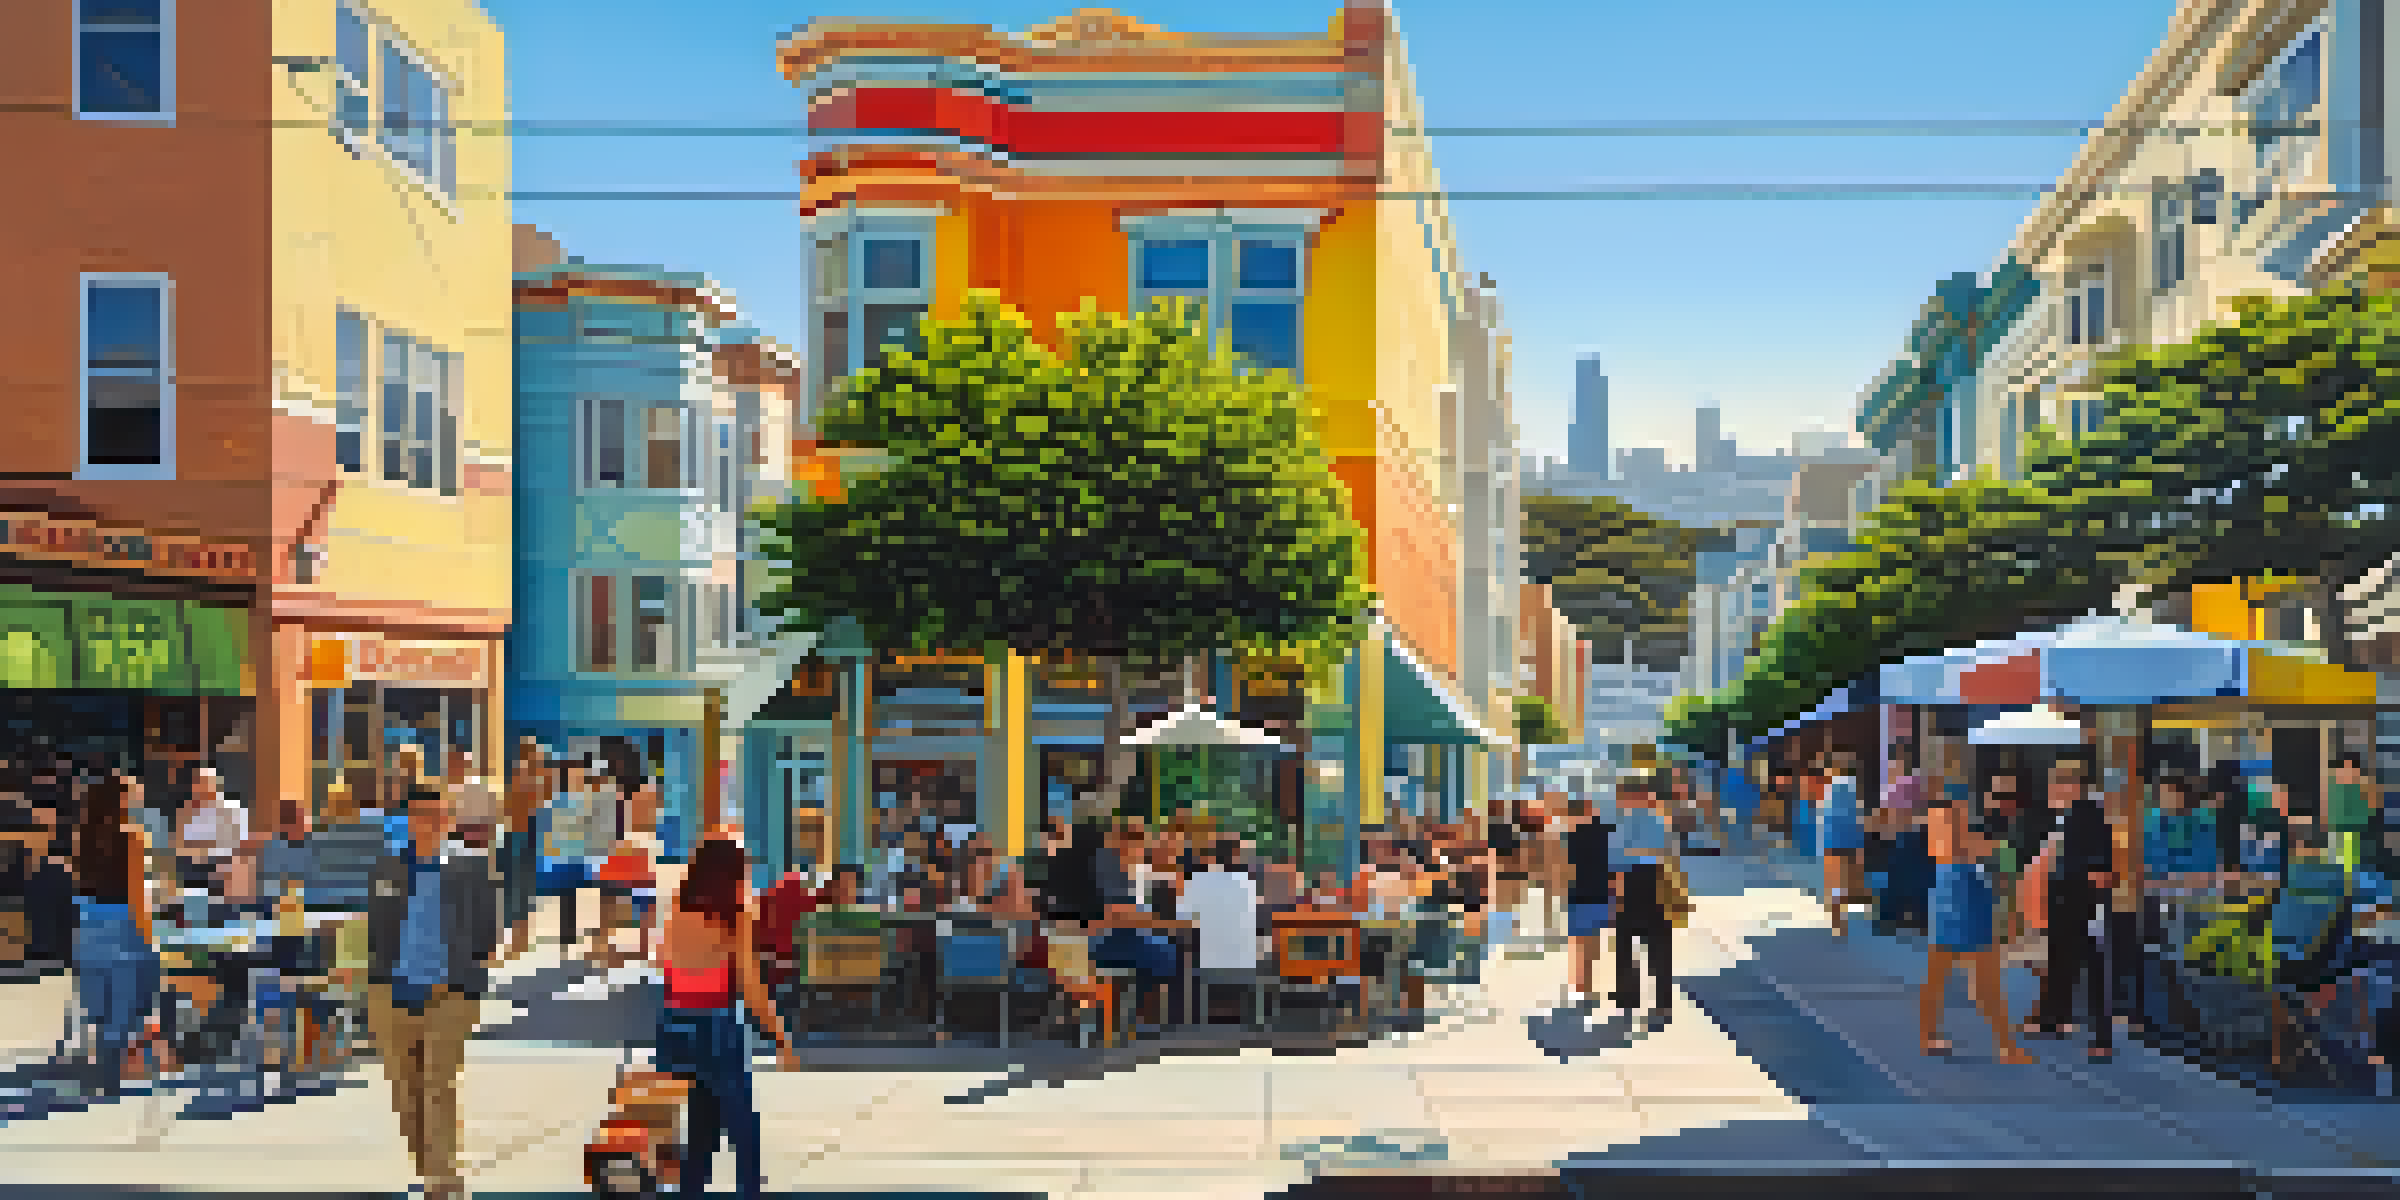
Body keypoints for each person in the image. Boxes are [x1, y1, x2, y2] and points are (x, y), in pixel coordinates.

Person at [364, 764, 501, 1200]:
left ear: (448, 819)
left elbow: (486, 930)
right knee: (406, 1091)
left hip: (450, 993)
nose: (428, 823)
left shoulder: (471, 867)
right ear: (408, 819)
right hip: (393, 991)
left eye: (436, 814)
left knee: (437, 1083)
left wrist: (470, 974)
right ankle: (430, 1166)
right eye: (419, 815)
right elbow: (375, 926)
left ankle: (441, 1178)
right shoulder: (388, 867)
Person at [654, 834, 801, 1200]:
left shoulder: (676, 910)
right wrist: (781, 1037)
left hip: (675, 1021)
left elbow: (665, 965)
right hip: (717, 1021)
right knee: (743, 1128)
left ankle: (691, 1192)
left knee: (701, 1126)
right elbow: (752, 988)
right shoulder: (736, 916)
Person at [1912, 764, 2033, 1063]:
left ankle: (1931, 1036)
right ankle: (2006, 1046)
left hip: (1952, 898)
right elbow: (2002, 874)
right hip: (1966, 902)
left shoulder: (1950, 833)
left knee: (1946, 976)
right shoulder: (1976, 835)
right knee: (1981, 981)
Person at [69, 773, 161, 1095]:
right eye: (134, 796)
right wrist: (152, 938)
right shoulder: (131, 837)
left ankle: (106, 1067)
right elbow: (138, 894)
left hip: (89, 922)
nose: (138, 802)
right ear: (120, 801)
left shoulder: (83, 836)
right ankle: (111, 1075)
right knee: (126, 1001)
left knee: (101, 1002)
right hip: (122, 925)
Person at [2023, 755, 2117, 1062]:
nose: (2050, 790)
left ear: (2072, 785)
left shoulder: (2089, 814)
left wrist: (2090, 880)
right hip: (2065, 896)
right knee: (2060, 961)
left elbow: (2100, 863)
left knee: (2090, 965)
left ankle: (2098, 1036)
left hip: (2080, 899)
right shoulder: (2068, 815)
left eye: (2055, 783)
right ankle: (2053, 1019)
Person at [1610, 776, 1677, 1020]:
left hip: (1631, 882)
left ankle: (1628, 996)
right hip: (1658, 882)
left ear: (1631, 797)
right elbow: (1670, 852)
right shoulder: (1661, 821)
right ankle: (1663, 1001)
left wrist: (1617, 893)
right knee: (1660, 944)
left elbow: (1616, 858)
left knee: (1626, 942)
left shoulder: (1626, 823)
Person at [1560, 791, 1615, 1010]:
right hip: (1600, 893)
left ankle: (1583, 989)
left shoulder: (1569, 836)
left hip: (1578, 894)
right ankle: (1587, 987)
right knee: (1592, 943)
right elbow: (1613, 863)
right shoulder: (1604, 831)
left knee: (1579, 944)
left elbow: (1563, 868)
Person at [499, 738, 549, 961]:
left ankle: (519, 941)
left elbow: (541, 808)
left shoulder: (538, 779)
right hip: (515, 836)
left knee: (522, 892)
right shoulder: (522, 777)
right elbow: (508, 808)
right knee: (512, 890)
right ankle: (515, 940)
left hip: (527, 837)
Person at [1817, 753, 1868, 937]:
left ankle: (1838, 924)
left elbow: (1825, 820)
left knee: (1836, 885)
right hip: (1847, 842)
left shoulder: (1832, 789)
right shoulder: (1849, 787)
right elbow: (1857, 817)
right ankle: (1839, 922)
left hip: (1835, 843)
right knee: (1844, 884)